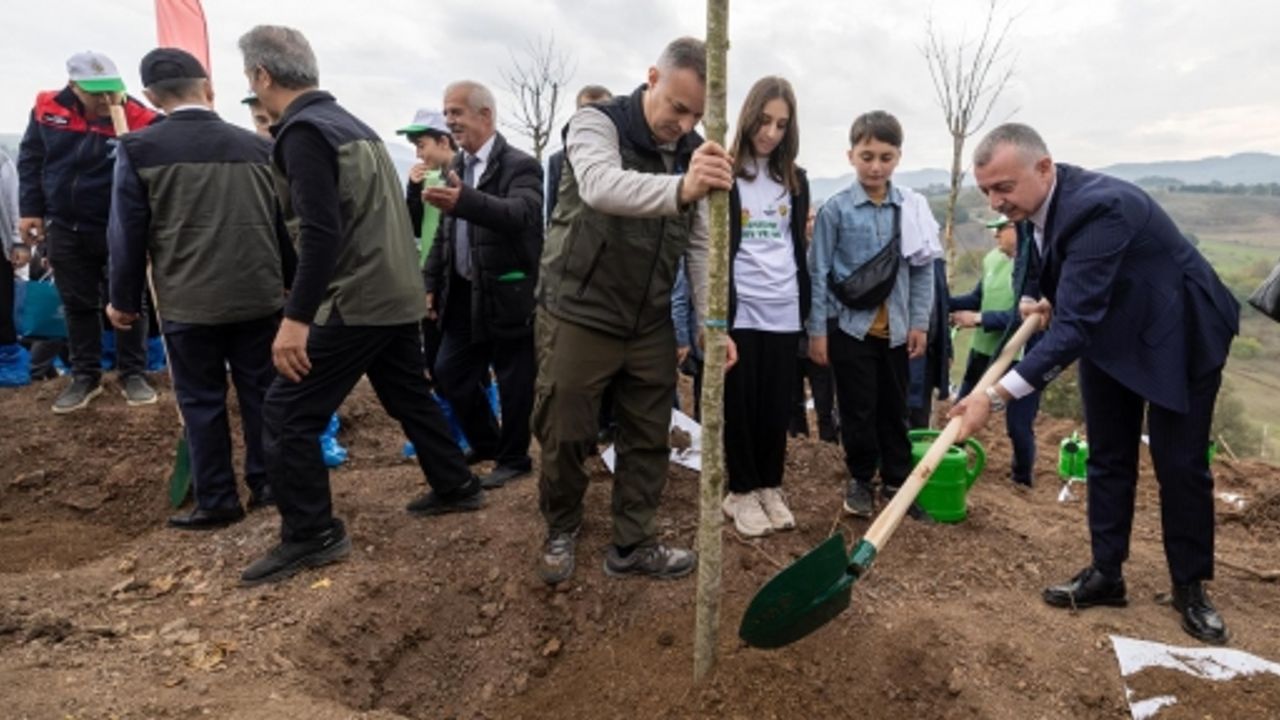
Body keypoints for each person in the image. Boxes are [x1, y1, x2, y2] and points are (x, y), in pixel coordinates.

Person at [952, 123, 1240, 645]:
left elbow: (1074, 327)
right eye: (987, 191)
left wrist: (993, 396)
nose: (997, 202)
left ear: (1044, 168)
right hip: (1111, 332)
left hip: (1179, 329)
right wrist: (1041, 295)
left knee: (1180, 463)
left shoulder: (1099, 207)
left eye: (1004, 188)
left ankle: (1190, 586)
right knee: (1108, 455)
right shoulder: (1037, 208)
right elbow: (1051, 267)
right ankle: (1108, 573)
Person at [236, 25, 484, 587]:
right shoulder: (354, 126)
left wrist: (296, 320)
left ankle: (311, 534)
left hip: (357, 296)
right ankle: (456, 485)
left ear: (262, 76)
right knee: (408, 395)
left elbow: (321, 231)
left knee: (286, 412)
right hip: (394, 291)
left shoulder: (302, 132)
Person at [534, 37, 735, 584]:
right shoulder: (598, 124)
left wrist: (709, 322)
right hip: (579, 307)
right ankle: (561, 525)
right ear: (652, 78)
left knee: (648, 432)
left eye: (696, 113)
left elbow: (698, 245)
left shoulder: (694, 149)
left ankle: (632, 541)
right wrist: (682, 186)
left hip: (647, 317)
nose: (684, 122)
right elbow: (600, 187)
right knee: (566, 428)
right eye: (677, 106)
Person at [105, 48, 295, 529]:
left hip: (189, 302)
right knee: (260, 393)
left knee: (201, 401)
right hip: (259, 296)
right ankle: (270, 485)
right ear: (209, 89)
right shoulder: (259, 148)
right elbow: (283, 228)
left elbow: (126, 234)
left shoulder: (137, 150)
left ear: (149, 96)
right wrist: (291, 287)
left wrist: (123, 301)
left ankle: (217, 499)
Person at [808, 111, 937, 518]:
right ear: (850, 156)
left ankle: (897, 481)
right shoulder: (836, 211)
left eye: (885, 156)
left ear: (898, 157)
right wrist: (818, 330)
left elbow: (922, 268)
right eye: (867, 156)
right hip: (851, 328)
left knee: (895, 407)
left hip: (897, 330)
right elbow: (818, 271)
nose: (876, 166)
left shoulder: (911, 208)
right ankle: (861, 478)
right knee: (857, 408)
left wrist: (919, 322)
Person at [17, 51, 160, 413]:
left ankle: (133, 373)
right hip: (64, 224)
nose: (103, 99)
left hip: (118, 226)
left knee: (129, 300)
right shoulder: (48, 109)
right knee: (78, 303)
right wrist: (30, 210)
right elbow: (32, 159)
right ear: (73, 86)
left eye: (109, 89)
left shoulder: (139, 117)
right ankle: (85, 375)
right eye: (94, 91)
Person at [423, 81, 542, 489]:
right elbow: (442, 234)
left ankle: (514, 458)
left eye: (457, 112)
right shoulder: (454, 166)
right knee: (449, 372)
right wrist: (431, 283)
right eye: (447, 112)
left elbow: (520, 213)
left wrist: (466, 201)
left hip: (508, 291)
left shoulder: (520, 165)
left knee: (513, 380)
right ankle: (488, 442)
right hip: (461, 293)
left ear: (485, 115)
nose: (450, 121)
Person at [718, 76, 810, 538]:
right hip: (742, 305)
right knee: (741, 401)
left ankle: (770, 485)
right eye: (764, 120)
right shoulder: (728, 174)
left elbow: (795, 245)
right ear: (748, 115)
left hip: (784, 303)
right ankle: (740, 491)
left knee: (776, 404)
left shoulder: (794, 180)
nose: (770, 132)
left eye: (781, 124)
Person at [949, 215, 1040, 485]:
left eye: (1000, 229)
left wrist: (978, 319)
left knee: (1018, 425)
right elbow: (978, 298)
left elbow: (1024, 317)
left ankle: (1022, 479)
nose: (995, 235)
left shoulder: (1033, 270)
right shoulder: (992, 259)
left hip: (1020, 356)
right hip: (983, 350)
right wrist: (946, 302)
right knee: (961, 409)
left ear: (1017, 229)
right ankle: (952, 460)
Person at [397, 108, 456, 373]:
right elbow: (415, 226)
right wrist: (413, 188)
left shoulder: (465, 179)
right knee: (435, 359)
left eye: (422, 146)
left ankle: (479, 410)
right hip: (431, 277)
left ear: (444, 141)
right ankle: (448, 412)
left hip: (456, 281)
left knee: (457, 364)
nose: (418, 155)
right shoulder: (428, 179)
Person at [545, 84, 612, 222]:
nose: (595, 117)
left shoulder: (628, 155)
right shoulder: (558, 160)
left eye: (602, 110)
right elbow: (553, 210)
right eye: (588, 111)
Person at [907, 257, 951, 429]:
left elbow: (942, 306)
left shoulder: (936, 263)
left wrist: (948, 350)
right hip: (901, 351)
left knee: (919, 416)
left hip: (927, 354)